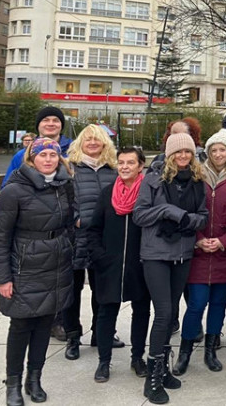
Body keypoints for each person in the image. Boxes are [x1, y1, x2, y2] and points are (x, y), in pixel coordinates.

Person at [0, 138, 76, 405]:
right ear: (31, 159)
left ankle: (34, 378)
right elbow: (0, 237)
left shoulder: (65, 186)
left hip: (56, 263)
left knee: (44, 324)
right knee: (21, 325)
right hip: (25, 265)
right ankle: (13, 382)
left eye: (53, 154)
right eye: (43, 155)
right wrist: (2, 277)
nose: (49, 159)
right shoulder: (13, 191)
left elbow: (70, 221)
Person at [133, 133, 209, 404]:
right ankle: (152, 377)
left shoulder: (198, 183)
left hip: (183, 253)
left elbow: (202, 217)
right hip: (155, 254)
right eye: (177, 152)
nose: (182, 157)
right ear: (169, 154)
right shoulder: (153, 181)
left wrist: (189, 221)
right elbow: (139, 215)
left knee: (173, 310)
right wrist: (167, 210)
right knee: (163, 313)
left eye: (187, 152)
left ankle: (164, 369)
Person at [173, 130, 226, 376]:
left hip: (225, 251)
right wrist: (199, 240)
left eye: (223, 149)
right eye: (214, 149)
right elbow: (183, 210)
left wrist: (224, 241)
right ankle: (185, 351)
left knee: (218, 302)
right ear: (208, 151)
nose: (218, 154)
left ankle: (210, 350)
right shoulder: (195, 176)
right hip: (198, 249)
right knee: (196, 303)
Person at [87, 146, 151, 382]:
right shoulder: (107, 194)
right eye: (121, 162)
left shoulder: (149, 192)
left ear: (140, 166)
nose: (124, 167)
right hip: (109, 265)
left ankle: (137, 358)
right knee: (106, 312)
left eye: (130, 163)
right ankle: (104, 362)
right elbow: (94, 229)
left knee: (142, 311)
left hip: (140, 265)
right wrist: (100, 256)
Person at [62, 125, 119, 362]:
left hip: (102, 240)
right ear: (80, 143)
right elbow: (61, 199)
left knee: (102, 290)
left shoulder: (113, 170)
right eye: (88, 140)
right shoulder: (69, 168)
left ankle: (101, 332)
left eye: (97, 139)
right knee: (72, 292)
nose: (93, 143)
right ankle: (73, 336)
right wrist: (74, 220)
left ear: (105, 143)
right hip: (75, 238)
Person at [2, 106, 73, 187]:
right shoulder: (22, 155)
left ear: (61, 125)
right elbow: (7, 188)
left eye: (55, 120)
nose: (51, 124)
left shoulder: (75, 151)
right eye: (45, 120)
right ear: (38, 125)